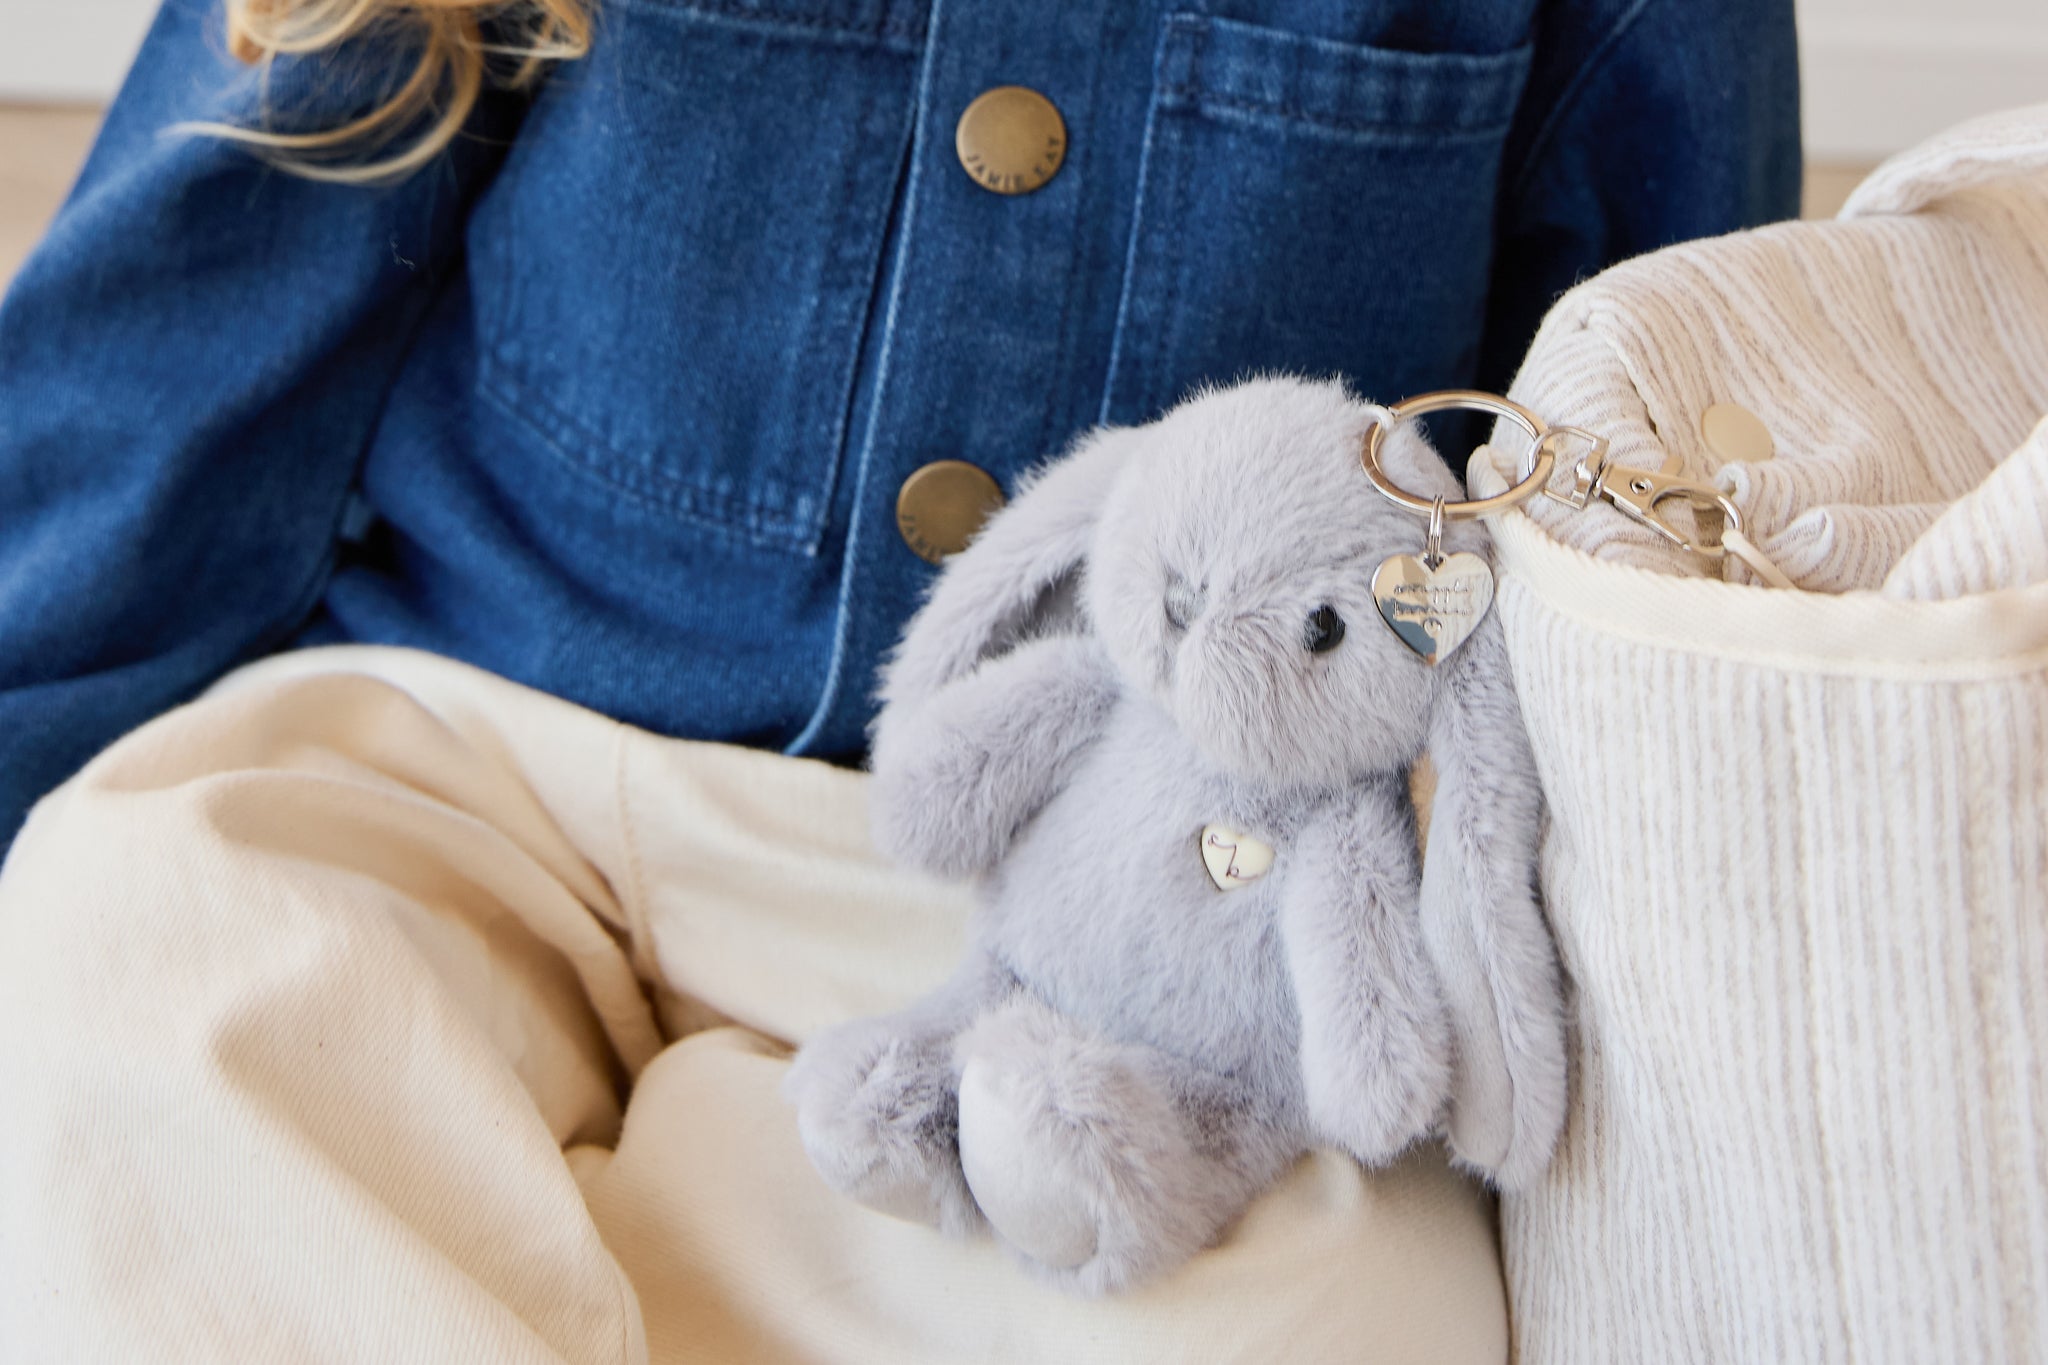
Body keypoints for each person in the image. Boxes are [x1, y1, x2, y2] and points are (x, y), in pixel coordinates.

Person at [0, 0, 1800, 1358]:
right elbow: (165, 348)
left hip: (1103, 893)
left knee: (1342, 1302)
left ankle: (644, 1210)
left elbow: (1635, 466)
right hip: (474, 756)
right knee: (142, 933)